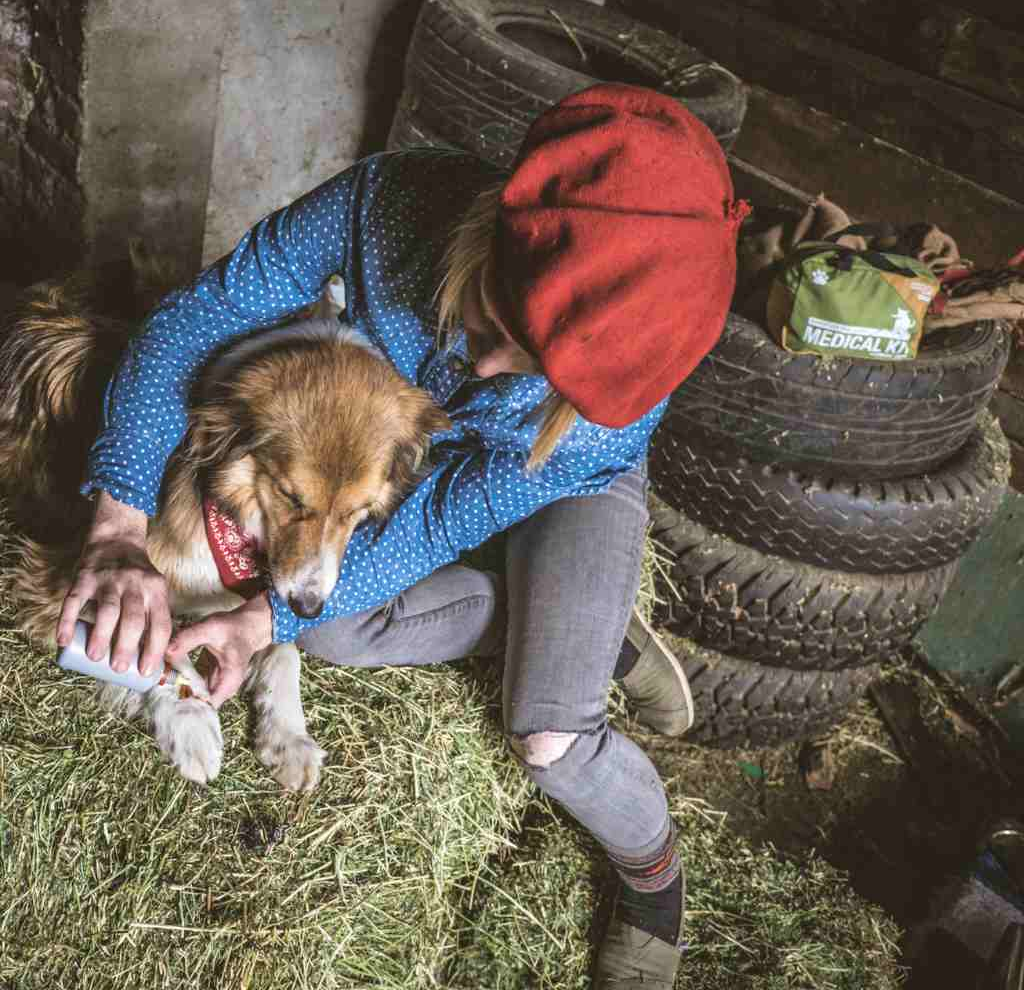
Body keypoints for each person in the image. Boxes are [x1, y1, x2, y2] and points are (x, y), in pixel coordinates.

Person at [56, 82, 748, 987]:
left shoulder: (604, 420)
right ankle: (558, 621)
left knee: (549, 740)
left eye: (531, 363)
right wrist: (119, 520)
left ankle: (655, 886)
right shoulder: (388, 204)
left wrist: (263, 622)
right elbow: (194, 326)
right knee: (331, 624)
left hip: (543, 476)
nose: (492, 363)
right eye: (495, 319)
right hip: (411, 468)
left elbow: (439, 519)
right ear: (492, 235)